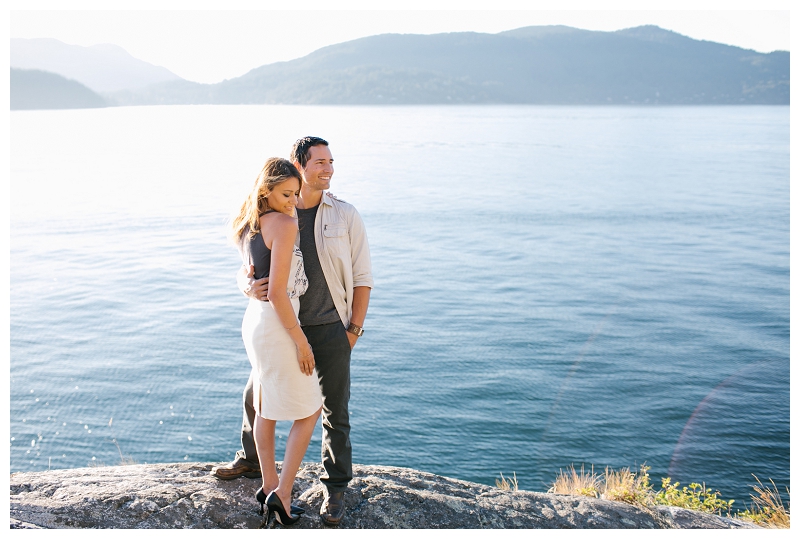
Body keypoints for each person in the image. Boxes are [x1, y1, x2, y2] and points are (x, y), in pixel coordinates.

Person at [213, 137, 373, 526]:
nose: (329, 169)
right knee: (256, 396)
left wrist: (354, 330)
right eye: (319, 162)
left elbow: (363, 277)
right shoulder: (281, 210)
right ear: (298, 166)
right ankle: (255, 468)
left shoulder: (345, 215)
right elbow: (250, 266)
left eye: (331, 161)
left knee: (335, 408)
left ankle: (334, 489)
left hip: (328, 325)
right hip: (286, 327)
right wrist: (246, 286)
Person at [229, 157, 323, 526]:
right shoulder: (284, 224)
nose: (293, 202)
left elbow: (250, 273)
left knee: (266, 407)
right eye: (286, 194)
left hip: (256, 322)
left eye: (296, 194)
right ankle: (282, 494)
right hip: (278, 323)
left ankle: (269, 487)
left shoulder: (248, 223)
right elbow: (281, 295)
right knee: (311, 408)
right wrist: (302, 343)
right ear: (266, 190)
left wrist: (246, 286)